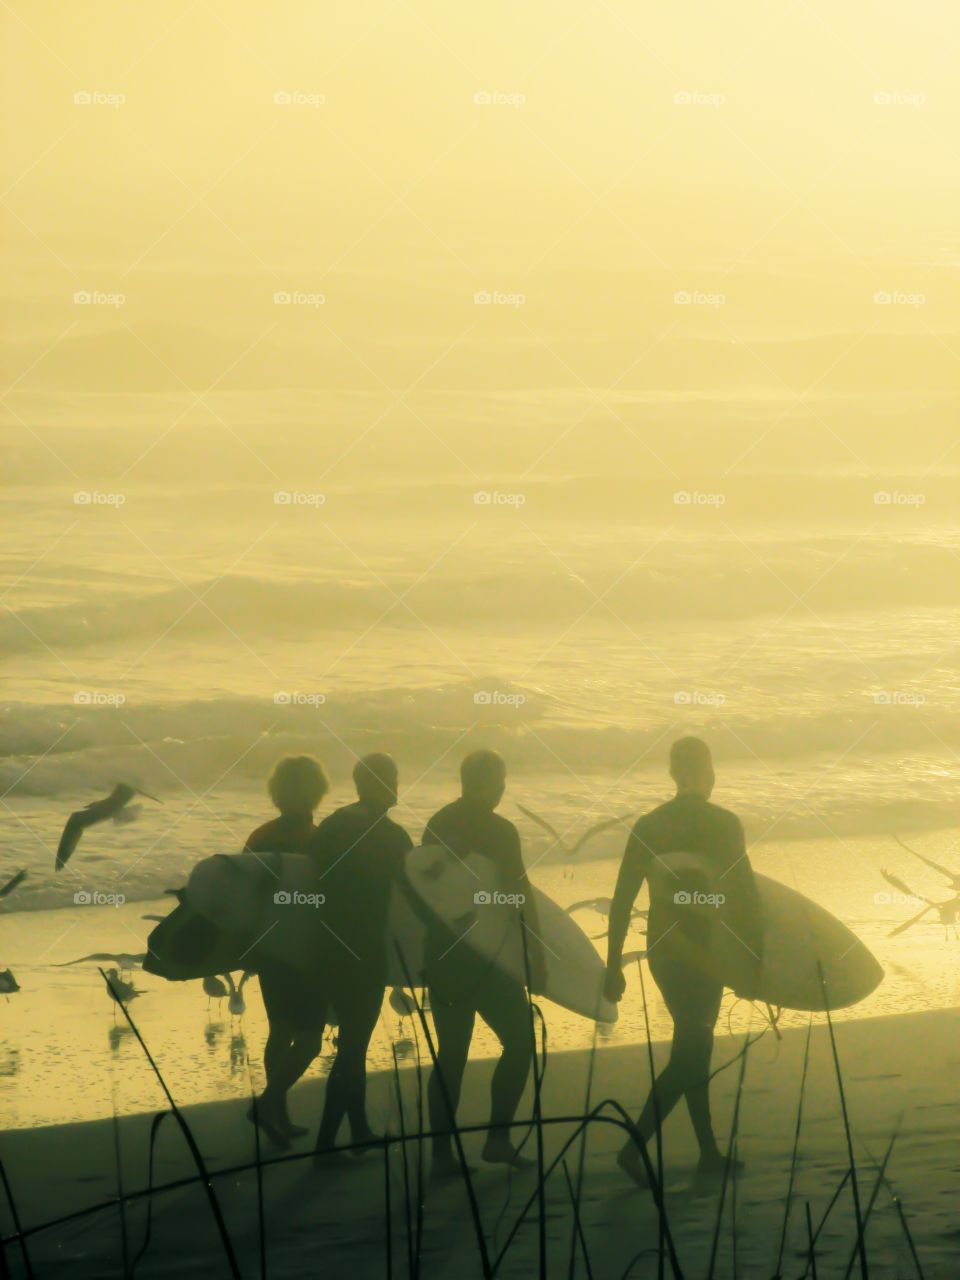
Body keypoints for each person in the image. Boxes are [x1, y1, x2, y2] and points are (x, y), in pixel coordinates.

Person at [603, 737, 763, 1185]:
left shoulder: (649, 825)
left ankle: (708, 1152)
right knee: (693, 1051)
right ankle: (634, 1145)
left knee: (694, 1045)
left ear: (674, 776)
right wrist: (755, 959)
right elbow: (745, 895)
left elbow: (621, 901)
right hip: (707, 950)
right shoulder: (724, 824)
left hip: (663, 951)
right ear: (709, 773)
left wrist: (613, 963)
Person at [422, 749, 546, 1175]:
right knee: (520, 1043)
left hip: (444, 955)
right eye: (500, 780)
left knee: (451, 1054)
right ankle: (497, 1138)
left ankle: (440, 1156)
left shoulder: (436, 824)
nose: (503, 788)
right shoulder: (499, 830)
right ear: (489, 784)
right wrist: (535, 950)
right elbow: (516, 892)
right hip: (488, 958)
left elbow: (426, 891)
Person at [308, 752, 413, 1157]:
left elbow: (311, 877)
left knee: (354, 1039)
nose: (397, 787)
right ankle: (325, 1144)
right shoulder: (391, 836)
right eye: (392, 779)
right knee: (353, 1044)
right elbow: (413, 893)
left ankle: (359, 1130)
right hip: (364, 950)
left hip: (326, 943)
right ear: (379, 785)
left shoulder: (333, 825)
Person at [244, 754, 330, 1147]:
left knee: (280, 1029)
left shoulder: (259, 837)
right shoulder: (320, 838)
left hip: (270, 947)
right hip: (308, 950)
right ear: (317, 791)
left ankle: (277, 1113)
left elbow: (244, 896)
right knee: (311, 1039)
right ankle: (269, 1104)